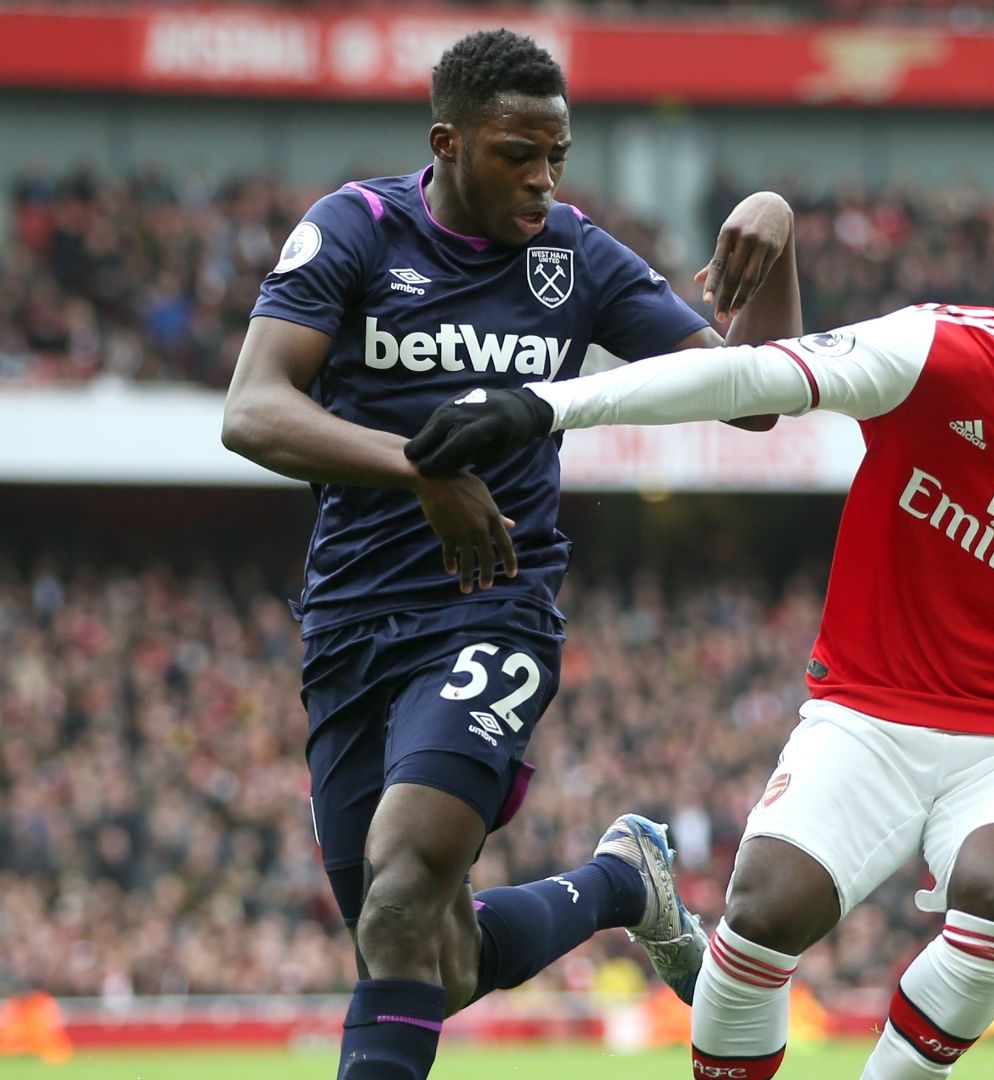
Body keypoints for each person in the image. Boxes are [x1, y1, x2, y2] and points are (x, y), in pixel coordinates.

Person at [403, 216, 994, 1080]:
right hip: (869, 709)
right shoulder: (940, 353)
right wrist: (542, 405)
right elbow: (750, 375)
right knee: (764, 909)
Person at [219, 29, 802, 1080]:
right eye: (514, 155)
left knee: (400, 892)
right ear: (445, 142)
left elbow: (754, 404)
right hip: (351, 623)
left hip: (494, 609)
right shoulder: (356, 228)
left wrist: (779, 236)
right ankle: (623, 884)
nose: (541, 180)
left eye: (557, 157)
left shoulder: (572, 255)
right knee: (423, 956)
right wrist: (423, 469)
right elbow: (253, 411)